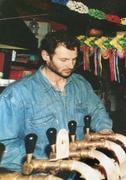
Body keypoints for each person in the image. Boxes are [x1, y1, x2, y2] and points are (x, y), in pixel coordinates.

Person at [0, 31, 113, 172]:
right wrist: (44, 162)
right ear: (45, 56)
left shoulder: (80, 84)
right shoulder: (17, 94)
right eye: (64, 60)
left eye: (74, 60)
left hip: (80, 170)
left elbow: (97, 110)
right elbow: (5, 146)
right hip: (42, 174)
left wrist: (105, 130)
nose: (71, 66)